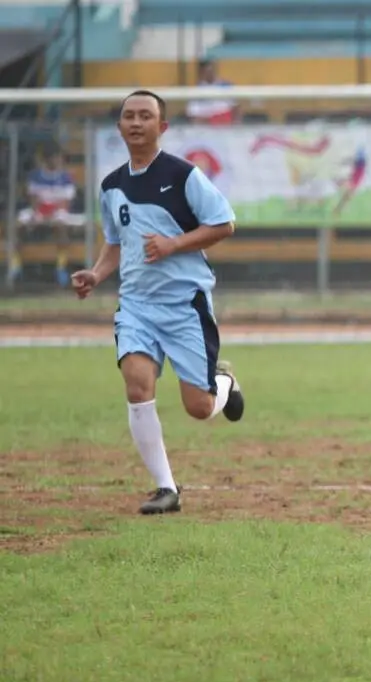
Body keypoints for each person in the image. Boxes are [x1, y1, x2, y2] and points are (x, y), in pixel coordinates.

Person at [71, 90, 246, 515]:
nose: (135, 122)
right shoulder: (111, 186)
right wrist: (96, 273)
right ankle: (166, 489)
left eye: (145, 116)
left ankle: (224, 383)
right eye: (128, 116)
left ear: (161, 127)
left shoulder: (184, 176)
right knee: (137, 384)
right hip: (135, 305)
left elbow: (224, 223)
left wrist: (174, 244)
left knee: (199, 408)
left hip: (184, 303)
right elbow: (115, 244)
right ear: (119, 127)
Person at [9, 146, 85, 287]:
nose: (56, 161)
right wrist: (40, 214)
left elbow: (65, 204)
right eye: (53, 158)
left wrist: (50, 215)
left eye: (58, 157)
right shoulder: (36, 176)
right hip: (39, 210)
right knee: (17, 224)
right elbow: (33, 199)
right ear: (46, 159)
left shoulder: (66, 177)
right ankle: (15, 265)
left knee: (61, 225)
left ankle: (60, 267)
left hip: (58, 212)